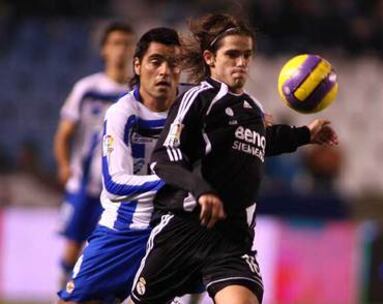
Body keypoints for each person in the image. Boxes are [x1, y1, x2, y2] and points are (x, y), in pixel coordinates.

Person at [130, 13, 338, 304]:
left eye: (247, 55)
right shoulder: (198, 99)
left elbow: (261, 141)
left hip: (232, 240)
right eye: (232, 54)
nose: (241, 62)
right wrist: (201, 190)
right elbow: (165, 156)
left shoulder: (252, 108)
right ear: (210, 58)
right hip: (184, 230)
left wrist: (305, 134)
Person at [58, 27, 203, 303]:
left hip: (171, 229)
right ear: (138, 65)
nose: (164, 71)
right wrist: (180, 181)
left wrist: (259, 118)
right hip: (124, 228)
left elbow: (235, 107)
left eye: (173, 64)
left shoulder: (194, 104)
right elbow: (114, 184)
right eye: (155, 61)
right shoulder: (122, 112)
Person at [53, 22, 135, 286]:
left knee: (109, 251)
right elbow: (64, 133)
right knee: (73, 245)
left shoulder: (137, 94)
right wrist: (64, 165)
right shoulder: (87, 88)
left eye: (127, 43)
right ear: (104, 50)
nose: (121, 50)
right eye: (116, 43)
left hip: (119, 189)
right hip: (84, 185)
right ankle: (61, 294)